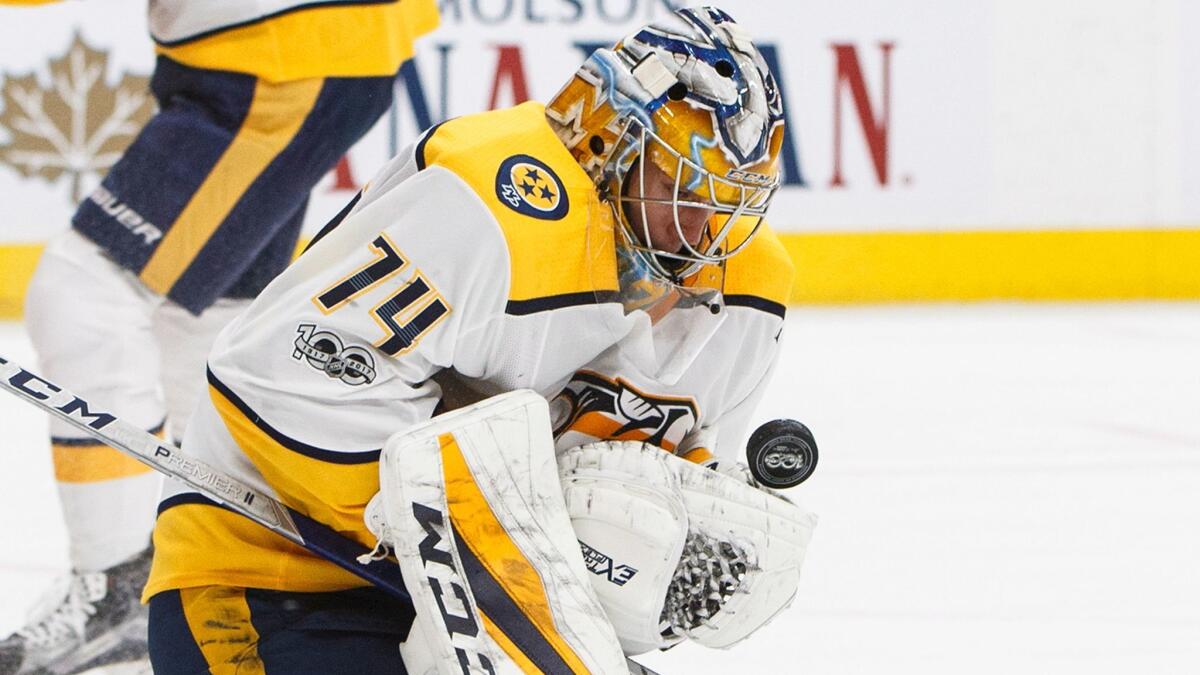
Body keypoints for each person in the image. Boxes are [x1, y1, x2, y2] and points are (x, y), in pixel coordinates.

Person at [142, 6, 799, 672]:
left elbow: (660, 503)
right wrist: (456, 517)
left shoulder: (750, 291)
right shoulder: (492, 206)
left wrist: (682, 557)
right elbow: (274, 381)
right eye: (679, 188)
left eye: (732, 203)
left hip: (486, 611)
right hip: (275, 574)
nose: (707, 231)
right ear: (612, 141)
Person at [0, 2, 440, 674]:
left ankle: (120, 585)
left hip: (278, 59)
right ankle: (206, 558)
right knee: (202, 321)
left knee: (81, 296)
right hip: (290, 50)